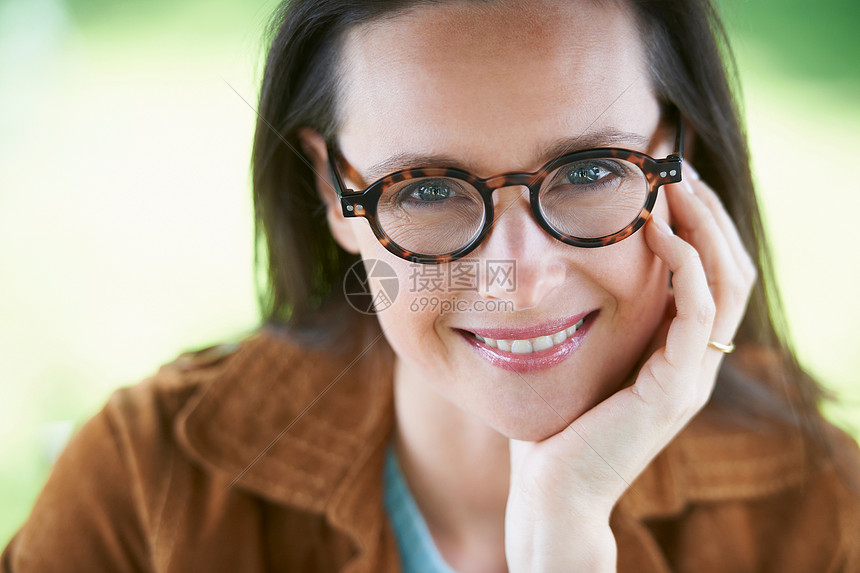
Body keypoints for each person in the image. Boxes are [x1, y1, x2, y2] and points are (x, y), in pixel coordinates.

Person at [4, 0, 860, 571]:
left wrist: (563, 534)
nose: (523, 278)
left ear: (683, 158)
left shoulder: (824, 518)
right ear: (333, 192)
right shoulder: (144, 487)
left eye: (592, 167)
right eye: (425, 190)